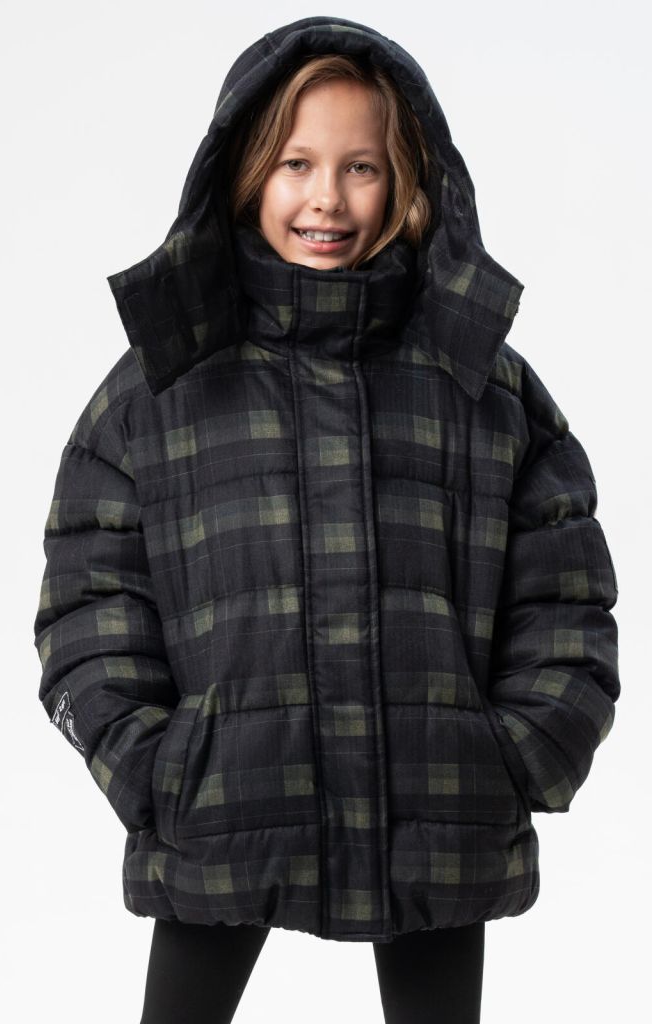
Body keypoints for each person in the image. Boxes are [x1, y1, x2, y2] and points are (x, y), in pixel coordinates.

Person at [32, 15, 620, 1024]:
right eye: (296, 163)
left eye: (362, 167)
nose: (327, 198)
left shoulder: (478, 383)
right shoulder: (165, 385)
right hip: (222, 809)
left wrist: (519, 752)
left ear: (407, 180)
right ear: (244, 173)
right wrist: (157, 768)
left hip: (440, 802)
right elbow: (89, 597)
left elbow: (564, 591)